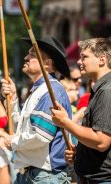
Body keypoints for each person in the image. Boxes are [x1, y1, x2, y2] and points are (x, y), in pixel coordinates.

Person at [1, 36, 72, 183]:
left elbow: (41, 136)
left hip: (44, 176)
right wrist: (13, 99)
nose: (26, 57)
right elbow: (20, 128)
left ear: (48, 64)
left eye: (33, 54)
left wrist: (14, 142)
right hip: (31, 174)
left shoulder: (51, 91)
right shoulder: (39, 90)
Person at [51, 38, 111, 183]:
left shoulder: (107, 90)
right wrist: (81, 152)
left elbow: (101, 142)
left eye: (84, 57)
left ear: (102, 60)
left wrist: (65, 122)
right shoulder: (100, 89)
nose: (79, 61)